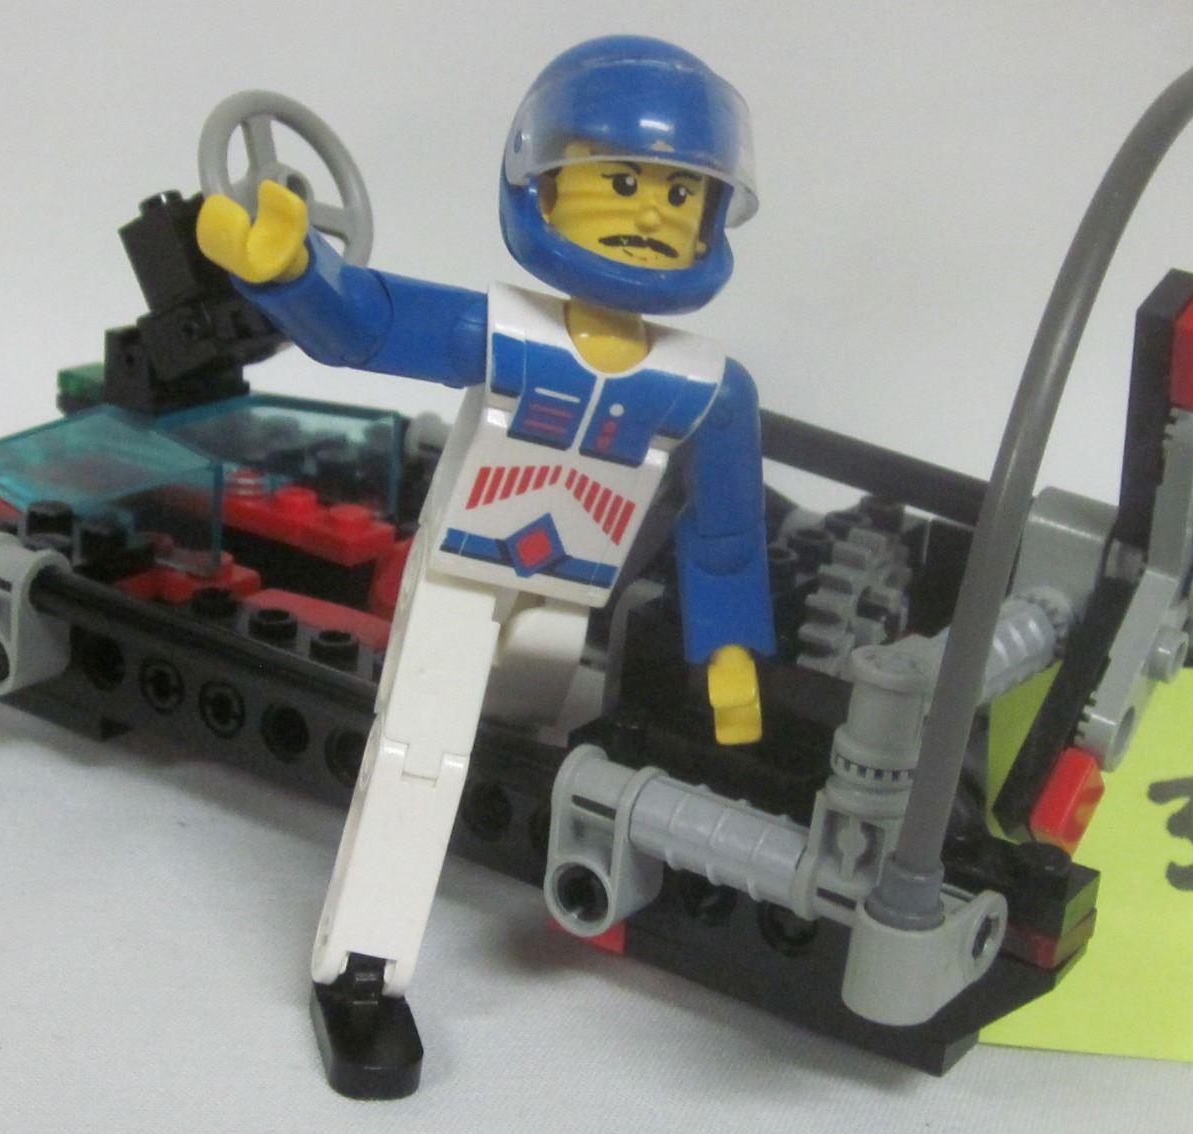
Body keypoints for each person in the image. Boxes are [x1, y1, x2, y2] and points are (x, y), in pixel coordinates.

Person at [197, 35, 773, 1097]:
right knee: (418, 754)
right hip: (465, 574)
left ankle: (494, 831)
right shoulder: (500, 331)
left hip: (567, 601)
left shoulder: (709, 387)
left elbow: (726, 531)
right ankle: (362, 970)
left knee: (522, 729)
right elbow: (368, 325)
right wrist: (291, 273)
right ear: (542, 182)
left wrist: (731, 650)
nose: (653, 212)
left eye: (680, 192)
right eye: (622, 181)